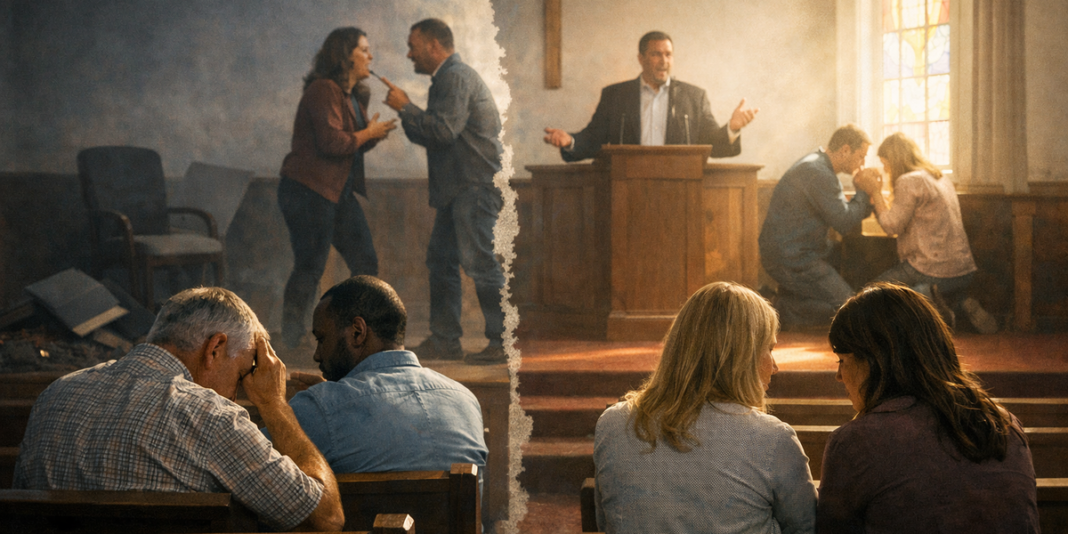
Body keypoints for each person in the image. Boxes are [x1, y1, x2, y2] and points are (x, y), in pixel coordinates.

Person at [13, 287, 345, 532]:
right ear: (215, 348)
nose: (237, 392)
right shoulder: (213, 418)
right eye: (244, 372)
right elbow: (325, 518)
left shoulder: (54, 395)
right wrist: (275, 404)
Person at [593, 282, 817, 534]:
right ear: (742, 355)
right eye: (770, 348)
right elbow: (806, 528)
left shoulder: (613, 423)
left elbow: (607, 522)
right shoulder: (773, 438)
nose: (775, 366)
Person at [818, 283, 1038, 532]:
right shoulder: (1004, 424)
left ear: (874, 361)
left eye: (843, 360)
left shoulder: (857, 441)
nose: (838, 375)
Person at [268, 275, 488, 478]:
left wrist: (276, 404)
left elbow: (245, 463)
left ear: (357, 332)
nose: (317, 355)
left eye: (321, 339)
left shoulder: (322, 407)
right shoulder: (465, 399)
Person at [380, 18, 507, 365]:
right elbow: (434, 134)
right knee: (442, 260)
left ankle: (502, 343)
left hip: (474, 187)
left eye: (414, 47)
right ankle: (446, 341)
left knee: (479, 262)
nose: (409, 54)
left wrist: (405, 107)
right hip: (461, 189)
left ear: (434, 46)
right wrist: (407, 111)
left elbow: (443, 132)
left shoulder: (455, 77)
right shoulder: (449, 78)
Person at [278, 27, 397, 349]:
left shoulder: (351, 95)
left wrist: (370, 135)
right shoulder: (323, 89)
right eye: (364, 49)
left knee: (365, 262)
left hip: (335, 191)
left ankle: (358, 334)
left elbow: (350, 148)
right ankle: (291, 339)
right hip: (307, 189)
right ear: (345, 55)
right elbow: (332, 143)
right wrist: (368, 134)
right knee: (311, 265)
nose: (370, 56)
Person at [853, 132, 998, 333]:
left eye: (886, 164)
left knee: (872, 294)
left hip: (930, 269)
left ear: (895, 160)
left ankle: (925, 296)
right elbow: (899, 220)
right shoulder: (938, 177)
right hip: (962, 270)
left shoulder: (909, 181)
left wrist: (875, 191)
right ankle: (959, 304)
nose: (886, 171)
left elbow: (891, 226)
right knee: (902, 294)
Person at [543, 31, 759, 162]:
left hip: (680, 191)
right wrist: (570, 140)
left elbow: (713, 145)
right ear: (641, 58)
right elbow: (593, 137)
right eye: (656, 54)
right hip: (626, 188)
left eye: (668, 54)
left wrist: (732, 128)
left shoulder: (694, 97)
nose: (664, 60)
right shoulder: (616, 96)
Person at [758, 124, 873, 330]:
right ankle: (783, 308)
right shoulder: (819, 172)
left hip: (801, 251)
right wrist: (863, 191)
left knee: (856, 258)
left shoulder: (819, 166)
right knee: (850, 311)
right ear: (845, 150)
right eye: (860, 156)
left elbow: (844, 215)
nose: (862, 163)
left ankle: (788, 297)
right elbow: (844, 222)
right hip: (792, 259)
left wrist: (863, 198)